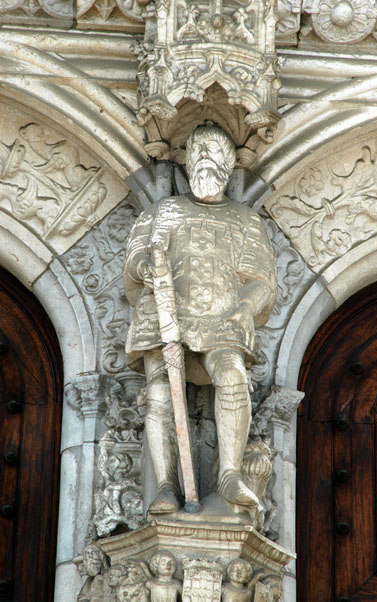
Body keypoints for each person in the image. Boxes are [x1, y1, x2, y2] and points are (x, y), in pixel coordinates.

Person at [124, 125, 277, 514]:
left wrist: (243, 308)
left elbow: (260, 280)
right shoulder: (165, 211)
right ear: (188, 161)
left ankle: (228, 474)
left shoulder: (245, 220)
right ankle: (165, 485)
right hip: (165, 312)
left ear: (228, 165)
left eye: (214, 152)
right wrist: (146, 267)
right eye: (198, 152)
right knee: (159, 392)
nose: (204, 158)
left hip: (222, 317)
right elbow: (137, 256)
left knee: (232, 375)